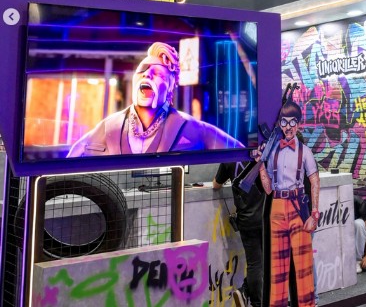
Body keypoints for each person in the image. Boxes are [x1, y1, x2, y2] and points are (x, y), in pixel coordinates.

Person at [67, 42, 242, 156]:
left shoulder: (194, 128)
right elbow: (69, 165)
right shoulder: (107, 127)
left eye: (157, 73)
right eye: (142, 70)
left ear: (170, 88)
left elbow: (242, 155)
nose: (147, 75)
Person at [257, 100, 319, 307]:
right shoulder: (273, 151)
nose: (289, 126)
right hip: (276, 207)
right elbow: (268, 189)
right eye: (284, 122)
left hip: (297, 206)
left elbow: (314, 181)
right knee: (278, 271)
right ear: (280, 124)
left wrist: (315, 213)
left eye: (293, 122)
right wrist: (261, 166)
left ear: (299, 124)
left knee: (303, 269)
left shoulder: (305, 152)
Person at [213, 161, 265, 307]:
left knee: (255, 263)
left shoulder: (229, 158)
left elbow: (216, 185)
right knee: (265, 262)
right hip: (266, 217)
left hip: (246, 220)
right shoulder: (264, 155)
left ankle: (250, 296)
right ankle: (248, 293)